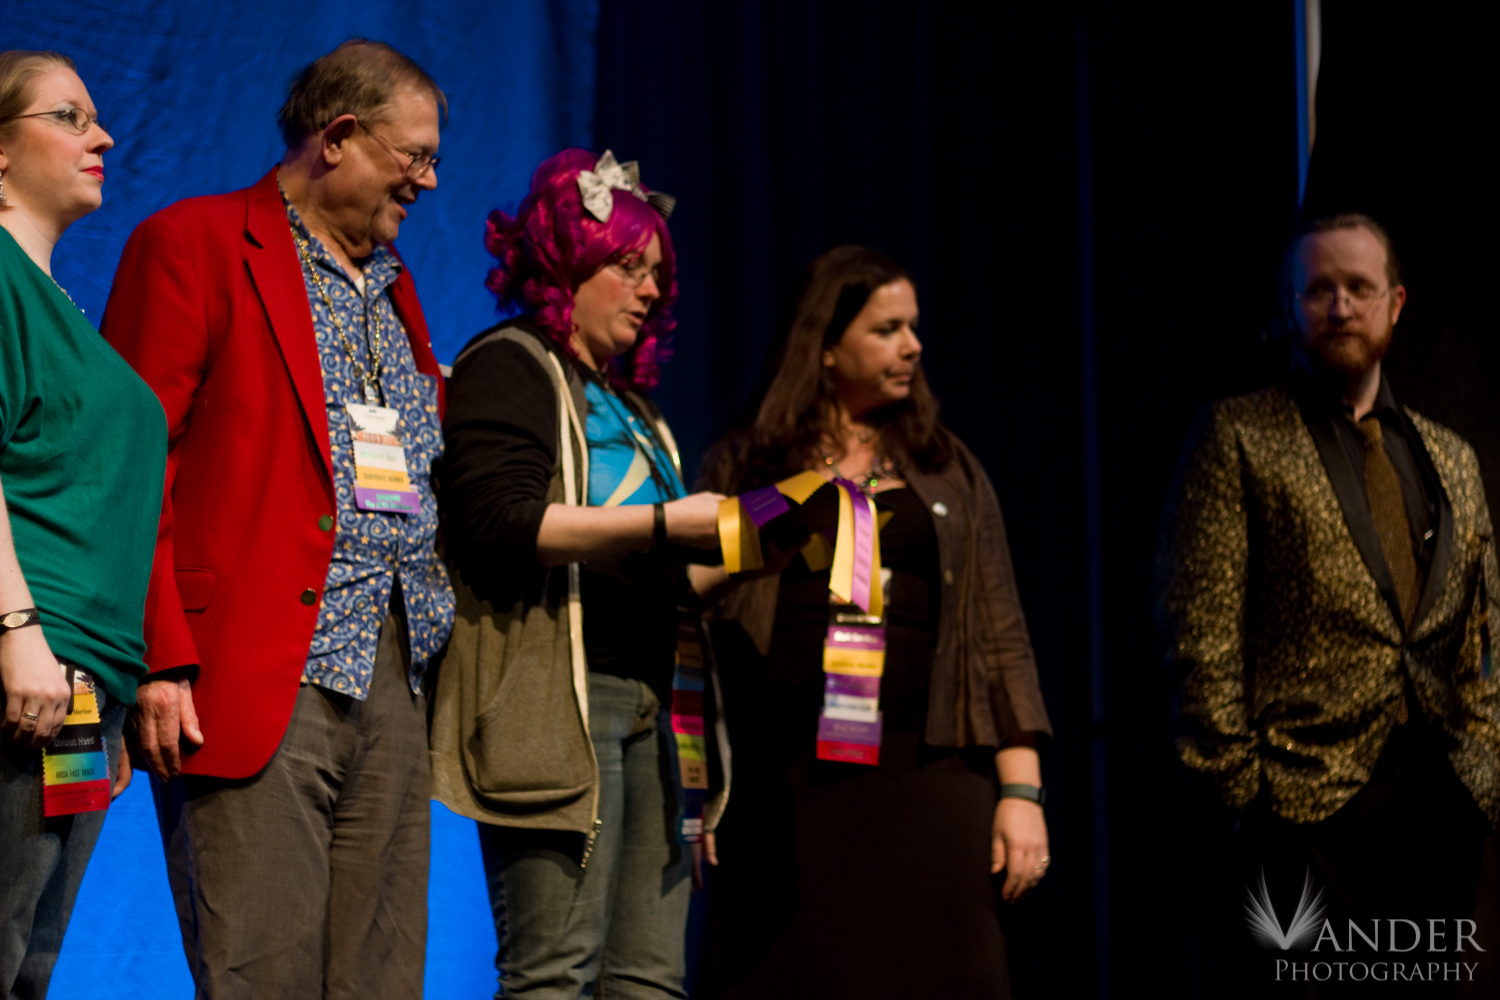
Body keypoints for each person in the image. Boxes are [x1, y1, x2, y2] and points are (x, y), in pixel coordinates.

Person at [98, 40, 453, 997]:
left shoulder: (396, 285)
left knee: (383, 980)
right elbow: (132, 465)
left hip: (392, 673)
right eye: (414, 155)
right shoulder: (196, 243)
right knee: (264, 976)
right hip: (258, 669)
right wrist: (158, 658)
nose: (427, 180)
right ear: (338, 137)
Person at [693, 245, 1053, 999]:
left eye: (913, 327)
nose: (913, 346)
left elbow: (1002, 636)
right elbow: (694, 620)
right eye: (887, 329)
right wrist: (696, 797)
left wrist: (1022, 795)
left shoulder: (947, 466)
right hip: (786, 781)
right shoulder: (748, 466)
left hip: (930, 770)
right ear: (825, 347)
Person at [1159, 213, 1500, 997]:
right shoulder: (1238, 435)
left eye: (1359, 288)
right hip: (1301, 810)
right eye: (1319, 290)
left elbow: (1483, 630)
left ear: (1396, 303)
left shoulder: (1449, 455)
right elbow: (1197, 631)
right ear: (1289, 307)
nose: (1341, 306)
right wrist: (1243, 797)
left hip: (1437, 808)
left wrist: (1480, 768)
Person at [430, 147, 725, 999]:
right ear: (567, 263)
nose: (650, 290)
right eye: (628, 267)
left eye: (656, 274)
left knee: (649, 980)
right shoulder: (512, 363)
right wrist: (666, 522)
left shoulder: (636, 411)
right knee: (554, 975)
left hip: (652, 698)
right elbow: (498, 523)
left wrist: (752, 552)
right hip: (561, 699)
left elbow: (657, 575)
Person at [0, 50, 165, 998]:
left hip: (81, 692)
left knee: (31, 963)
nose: (101, 136)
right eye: (68, 116)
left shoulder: (53, 300)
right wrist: (17, 630)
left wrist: (111, 692)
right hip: (27, 669)